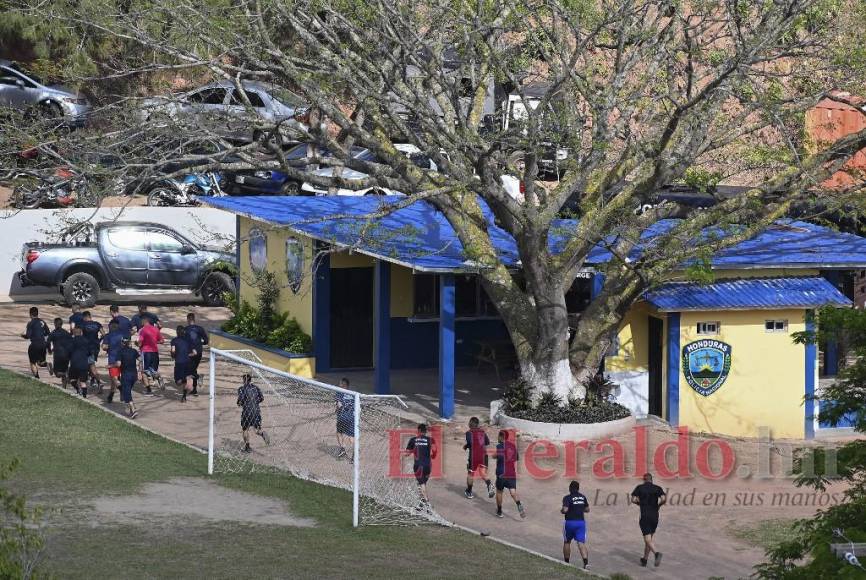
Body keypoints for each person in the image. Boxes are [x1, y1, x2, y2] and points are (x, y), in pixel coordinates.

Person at [631, 472, 666, 567]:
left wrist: (639, 503)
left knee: (647, 539)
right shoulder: (658, 488)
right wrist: (659, 505)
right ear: (651, 479)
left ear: (644, 479)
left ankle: (657, 553)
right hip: (655, 515)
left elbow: (633, 499)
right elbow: (663, 499)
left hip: (645, 515)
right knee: (649, 539)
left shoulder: (639, 488)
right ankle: (644, 560)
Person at [405, 423, 437, 510]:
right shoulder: (430, 439)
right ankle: (421, 504)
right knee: (422, 484)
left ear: (418, 431)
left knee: (421, 484)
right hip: (428, 466)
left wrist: (408, 452)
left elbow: (407, 453)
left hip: (418, 466)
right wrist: (433, 456)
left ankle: (427, 504)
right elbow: (434, 450)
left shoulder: (413, 440)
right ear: (425, 431)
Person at [495, 429, 525, 518]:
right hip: (511, 472)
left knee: (499, 491)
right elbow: (516, 458)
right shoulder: (512, 446)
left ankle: (499, 511)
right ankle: (518, 504)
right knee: (512, 492)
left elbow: (499, 457)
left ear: (501, 437)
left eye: (498, 436)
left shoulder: (499, 446)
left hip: (501, 472)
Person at [236, 373, 270, 452]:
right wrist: (255, 403)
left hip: (247, 412)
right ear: (251, 380)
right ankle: (262, 433)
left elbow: (240, 400)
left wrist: (239, 403)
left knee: (245, 429)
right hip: (256, 411)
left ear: (244, 380)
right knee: (257, 429)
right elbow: (262, 398)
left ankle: (247, 447)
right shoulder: (256, 388)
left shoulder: (241, 388)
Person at [562, 480, 591, 569]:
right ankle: (586, 563)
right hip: (580, 523)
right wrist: (579, 508)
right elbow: (587, 509)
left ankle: (566, 562)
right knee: (581, 543)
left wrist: (562, 511)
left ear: (570, 488)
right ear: (578, 489)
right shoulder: (582, 497)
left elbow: (565, 510)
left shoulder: (567, 497)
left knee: (567, 542)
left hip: (570, 522)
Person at [464, 416, 493, 499]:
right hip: (483, 455)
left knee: (470, 473)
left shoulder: (469, 432)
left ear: (471, 423)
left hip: (474, 456)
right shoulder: (482, 432)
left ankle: (469, 492)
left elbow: (470, 442)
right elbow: (487, 442)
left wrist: (466, 446)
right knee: (483, 473)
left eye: (469, 422)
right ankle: (489, 484)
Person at [136, 314, 164, 395]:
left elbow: (140, 342)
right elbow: (162, 341)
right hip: (155, 352)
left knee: (144, 371)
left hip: (146, 352)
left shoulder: (143, 330)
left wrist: (137, 344)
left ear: (145, 321)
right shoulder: (156, 329)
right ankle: (157, 376)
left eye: (141, 321)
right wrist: (155, 342)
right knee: (152, 370)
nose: (140, 322)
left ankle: (149, 391)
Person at [115, 337, 141, 419]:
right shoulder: (134, 351)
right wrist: (140, 371)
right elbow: (140, 359)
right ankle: (131, 408)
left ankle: (133, 409)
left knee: (127, 392)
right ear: (129, 343)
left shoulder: (120, 352)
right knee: (127, 390)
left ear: (122, 343)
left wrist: (111, 365)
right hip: (134, 374)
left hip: (126, 374)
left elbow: (118, 364)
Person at [170, 325, 198, 402]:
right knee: (185, 381)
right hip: (188, 362)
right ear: (184, 332)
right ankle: (184, 396)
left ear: (177, 332)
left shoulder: (174, 340)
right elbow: (195, 353)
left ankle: (191, 377)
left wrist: (173, 355)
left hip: (179, 363)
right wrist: (188, 355)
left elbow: (173, 351)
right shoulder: (188, 340)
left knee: (178, 381)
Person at [21, 306, 49, 378]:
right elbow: (47, 333)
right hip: (43, 344)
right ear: (37, 313)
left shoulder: (31, 323)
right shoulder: (42, 321)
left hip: (34, 345)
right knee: (41, 363)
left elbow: (28, 336)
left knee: (32, 362)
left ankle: (37, 378)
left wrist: (22, 335)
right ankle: (48, 364)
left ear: (30, 314)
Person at [184, 312, 209, 396]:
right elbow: (206, 341)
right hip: (199, 352)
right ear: (194, 319)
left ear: (188, 319)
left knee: (188, 370)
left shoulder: (185, 330)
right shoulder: (200, 329)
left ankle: (198, 377)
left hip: (190, 353)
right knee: (193, 369)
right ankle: (194, 390)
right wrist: (200, 343)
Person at [102, 320, 125, 403]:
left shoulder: (108, 336)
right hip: (124, 359)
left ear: (111, 326)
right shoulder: (123, 334)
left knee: (114, 378)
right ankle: (110, 396)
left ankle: (122, 390)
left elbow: (104, 347)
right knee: (114, 380)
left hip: (113, 360)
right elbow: (128, 345)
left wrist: (107, 347)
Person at [46, 318, 73, 389]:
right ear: (61, 324)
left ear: (55, 324)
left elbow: (47, 342)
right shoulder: (66, 333)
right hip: (66, 354)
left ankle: (51, 366)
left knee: (57, 373)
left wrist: (49, 350)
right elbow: (72, 342)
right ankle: (64, 388)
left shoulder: (53, 333)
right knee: (64, 370)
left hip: (58, 354)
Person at [80, 311, 104, 390]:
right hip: (96, 347)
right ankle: (93, 380)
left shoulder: (83, 324)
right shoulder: (97, 324)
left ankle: (98, 381)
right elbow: (104, 334)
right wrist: (99, 340)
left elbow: (79, 336)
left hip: (87, 348)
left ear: (85, 317)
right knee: (90, 364)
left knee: (90, 365)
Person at [68, 326, 92, 397]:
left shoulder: (71, 341)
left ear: (73, 333)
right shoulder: (86, 340)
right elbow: (90, 353)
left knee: (72, 379)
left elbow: (68, 352)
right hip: (84, 364)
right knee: (83, 382)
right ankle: (84, 396)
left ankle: (78, 389)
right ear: (81, 332)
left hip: (74, 364)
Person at [334, 378, 355, 461]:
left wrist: (337, 409)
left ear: (344, 385)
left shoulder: (339, 393)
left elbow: (339, 405)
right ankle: (355, 454)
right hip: (351, 418)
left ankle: (342, 449)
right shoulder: (353, 394)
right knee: (351, 437)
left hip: (342, 418)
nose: (339, 385)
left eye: (340, 383)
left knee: (339, 433)